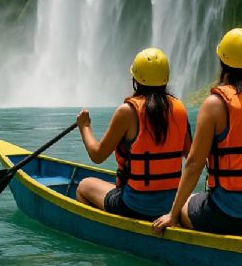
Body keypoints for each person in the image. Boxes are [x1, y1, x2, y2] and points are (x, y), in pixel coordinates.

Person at [152, 28, 242, 236]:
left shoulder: (215, 104)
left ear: (223, 62)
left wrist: (172, 214)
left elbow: (194, 164)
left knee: (187, 202)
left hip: (226, 214)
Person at [75, 47, 192, 221]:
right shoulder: (179, 109)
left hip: (134, 205)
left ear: (135, 79)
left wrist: (85, 127)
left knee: (83, 186)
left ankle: (106, 234)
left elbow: (97, 155)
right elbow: (191, 156)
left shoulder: (127, 112)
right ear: (166, 79)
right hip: (172, 205)